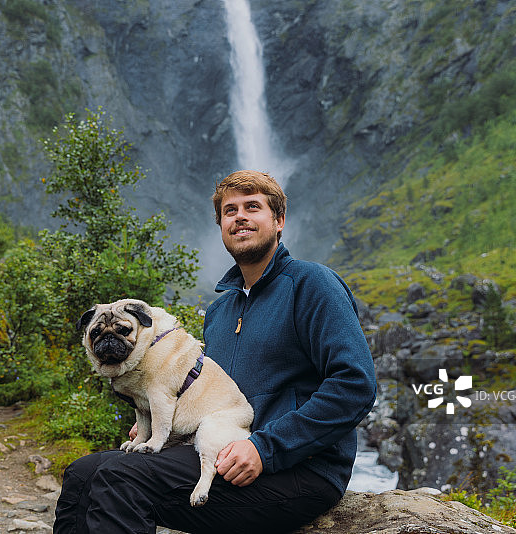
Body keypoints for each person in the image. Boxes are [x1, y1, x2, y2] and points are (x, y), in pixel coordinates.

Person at [54, 170, 377, 534]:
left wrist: (265, 448)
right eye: (229, 210)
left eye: (252, 207)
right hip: (220, 450)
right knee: (83, 474)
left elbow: (356, 385)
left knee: (121, 477)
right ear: (221, 225)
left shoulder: (312, 284)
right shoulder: (221, 312)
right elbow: (207, 394)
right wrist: (161, 419)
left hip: (298, 469)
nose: (239, 216)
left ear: (279, 220)